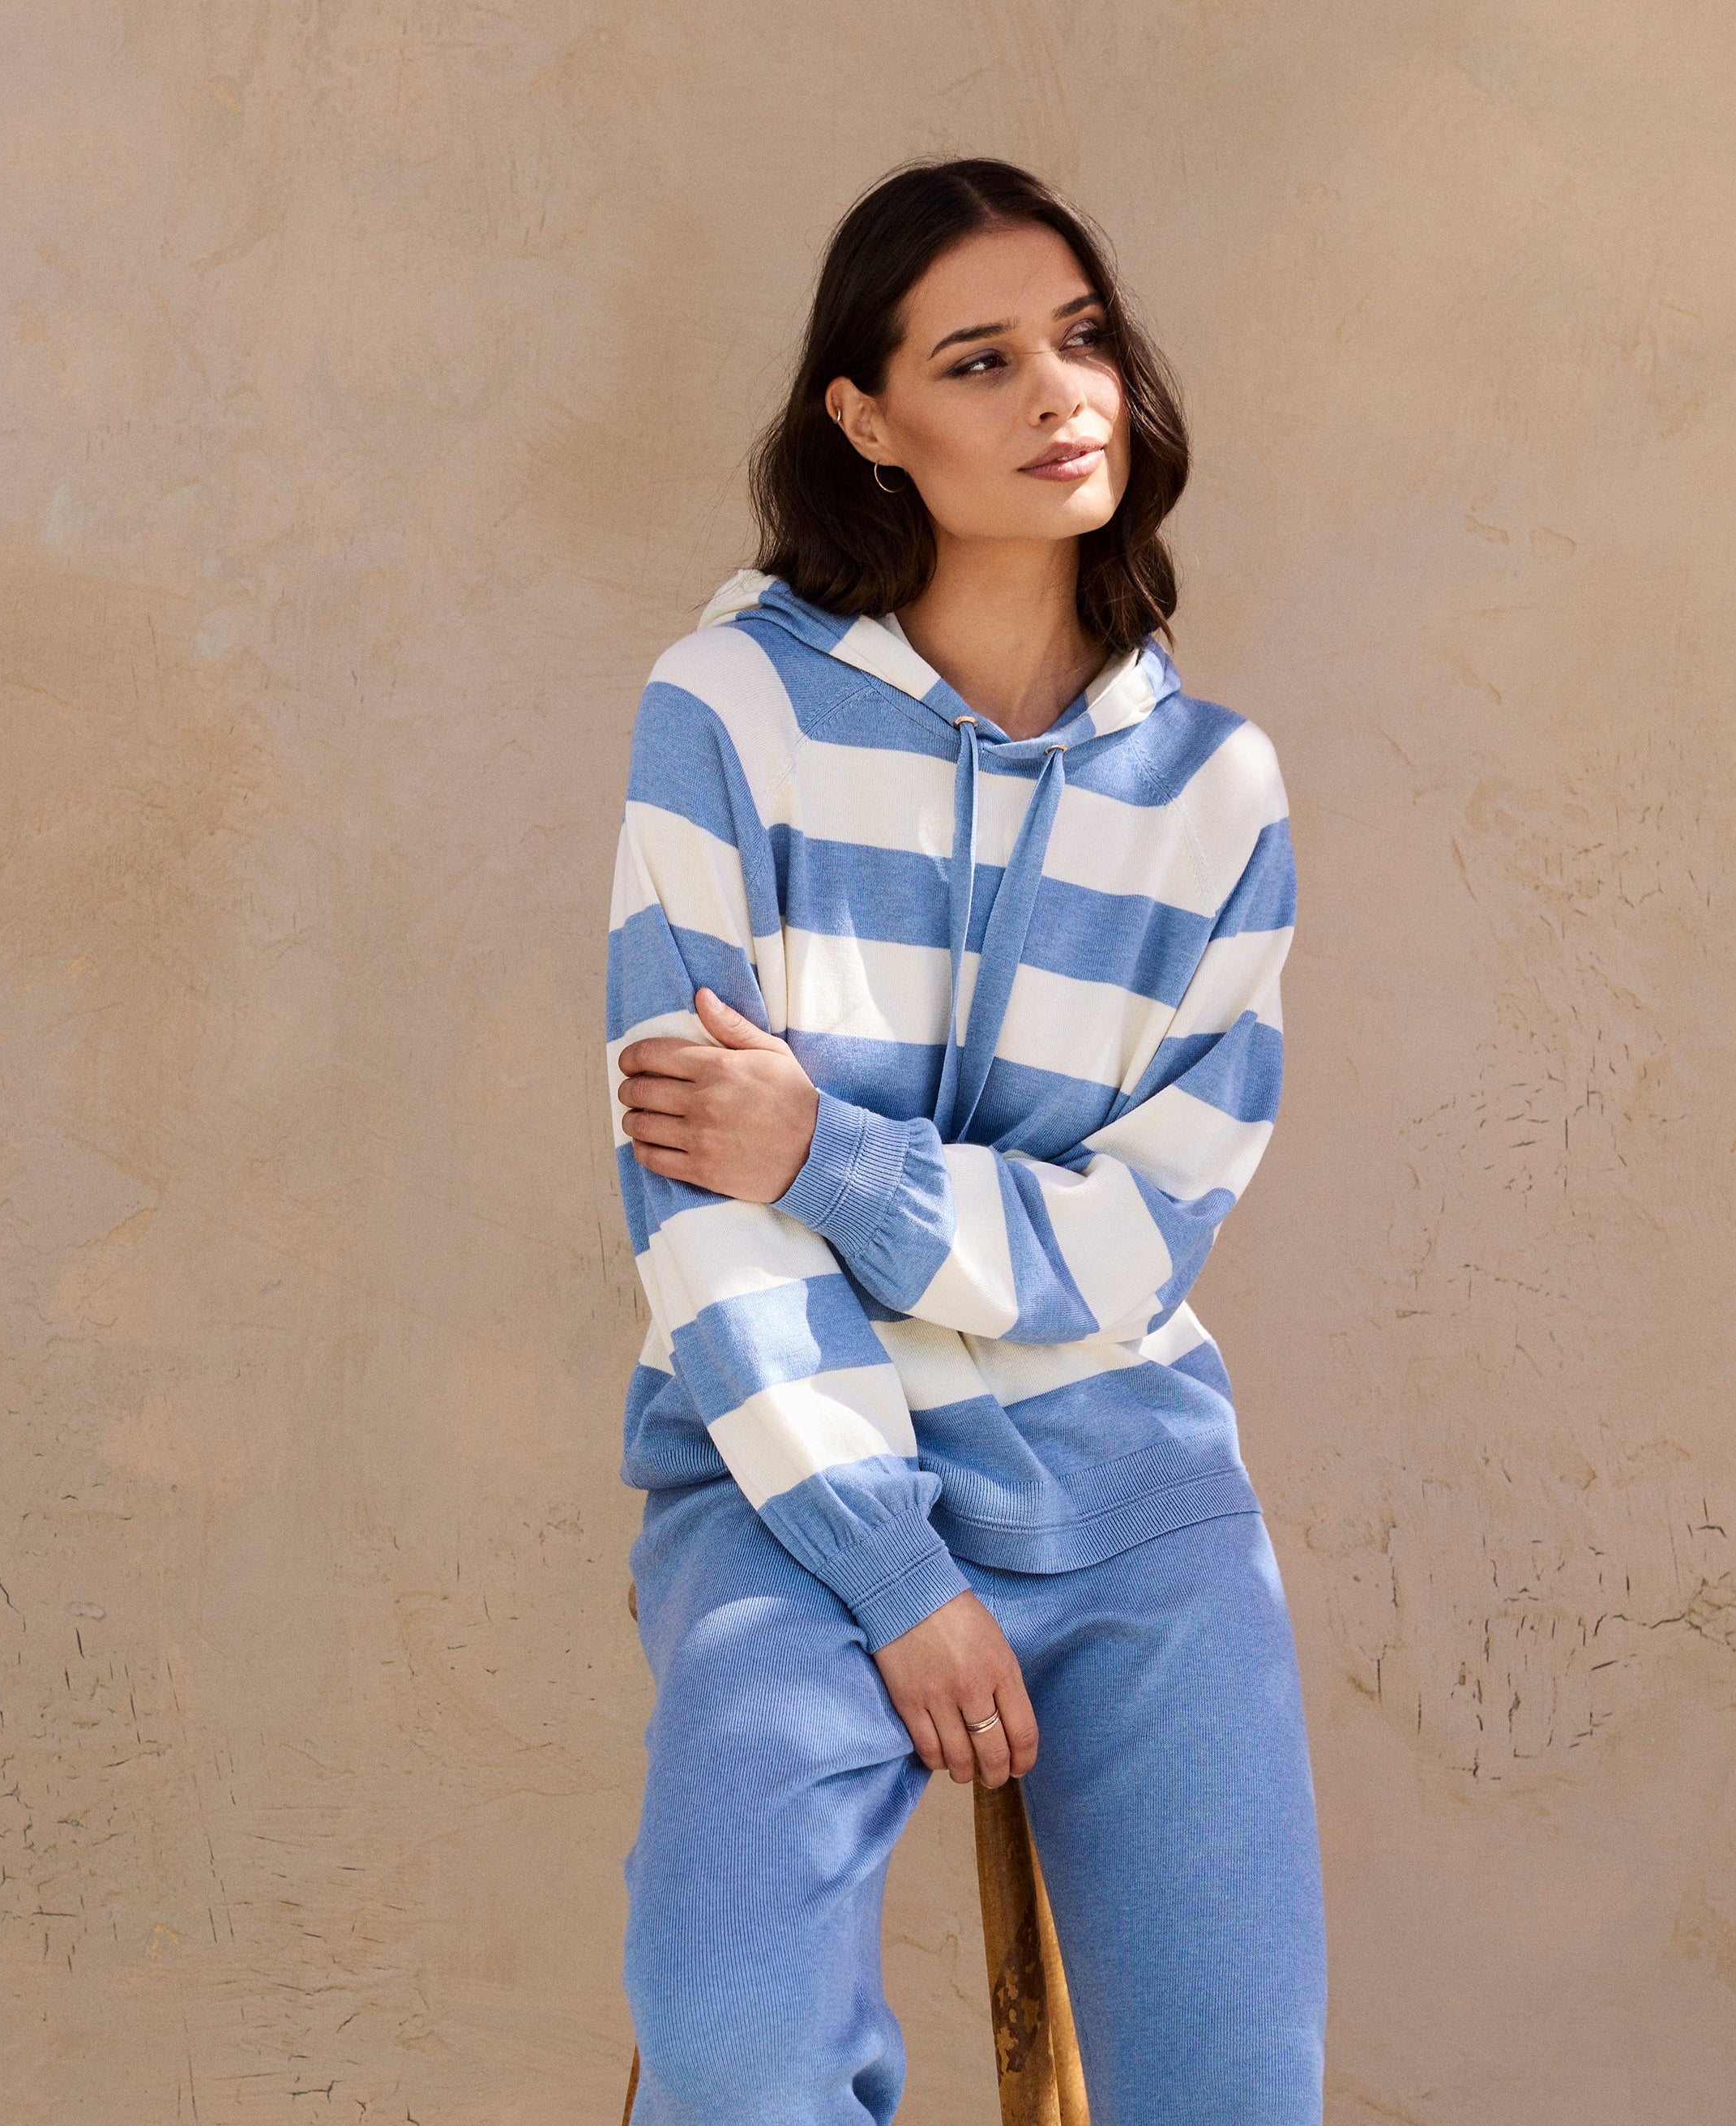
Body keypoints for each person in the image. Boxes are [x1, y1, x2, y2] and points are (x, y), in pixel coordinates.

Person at [603, 156, 1328, 2124]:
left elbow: (1139, 1242)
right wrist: (890, 1567)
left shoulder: (1216, 793)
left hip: (1131, 1479)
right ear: (869, 420)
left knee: (1239, 2090)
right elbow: (692, 1199)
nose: (1059, 391)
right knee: (734, 2042)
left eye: (1082, 339)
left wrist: (830, 1155)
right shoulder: (731, 713)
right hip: (791, 1480)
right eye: (982, 358)